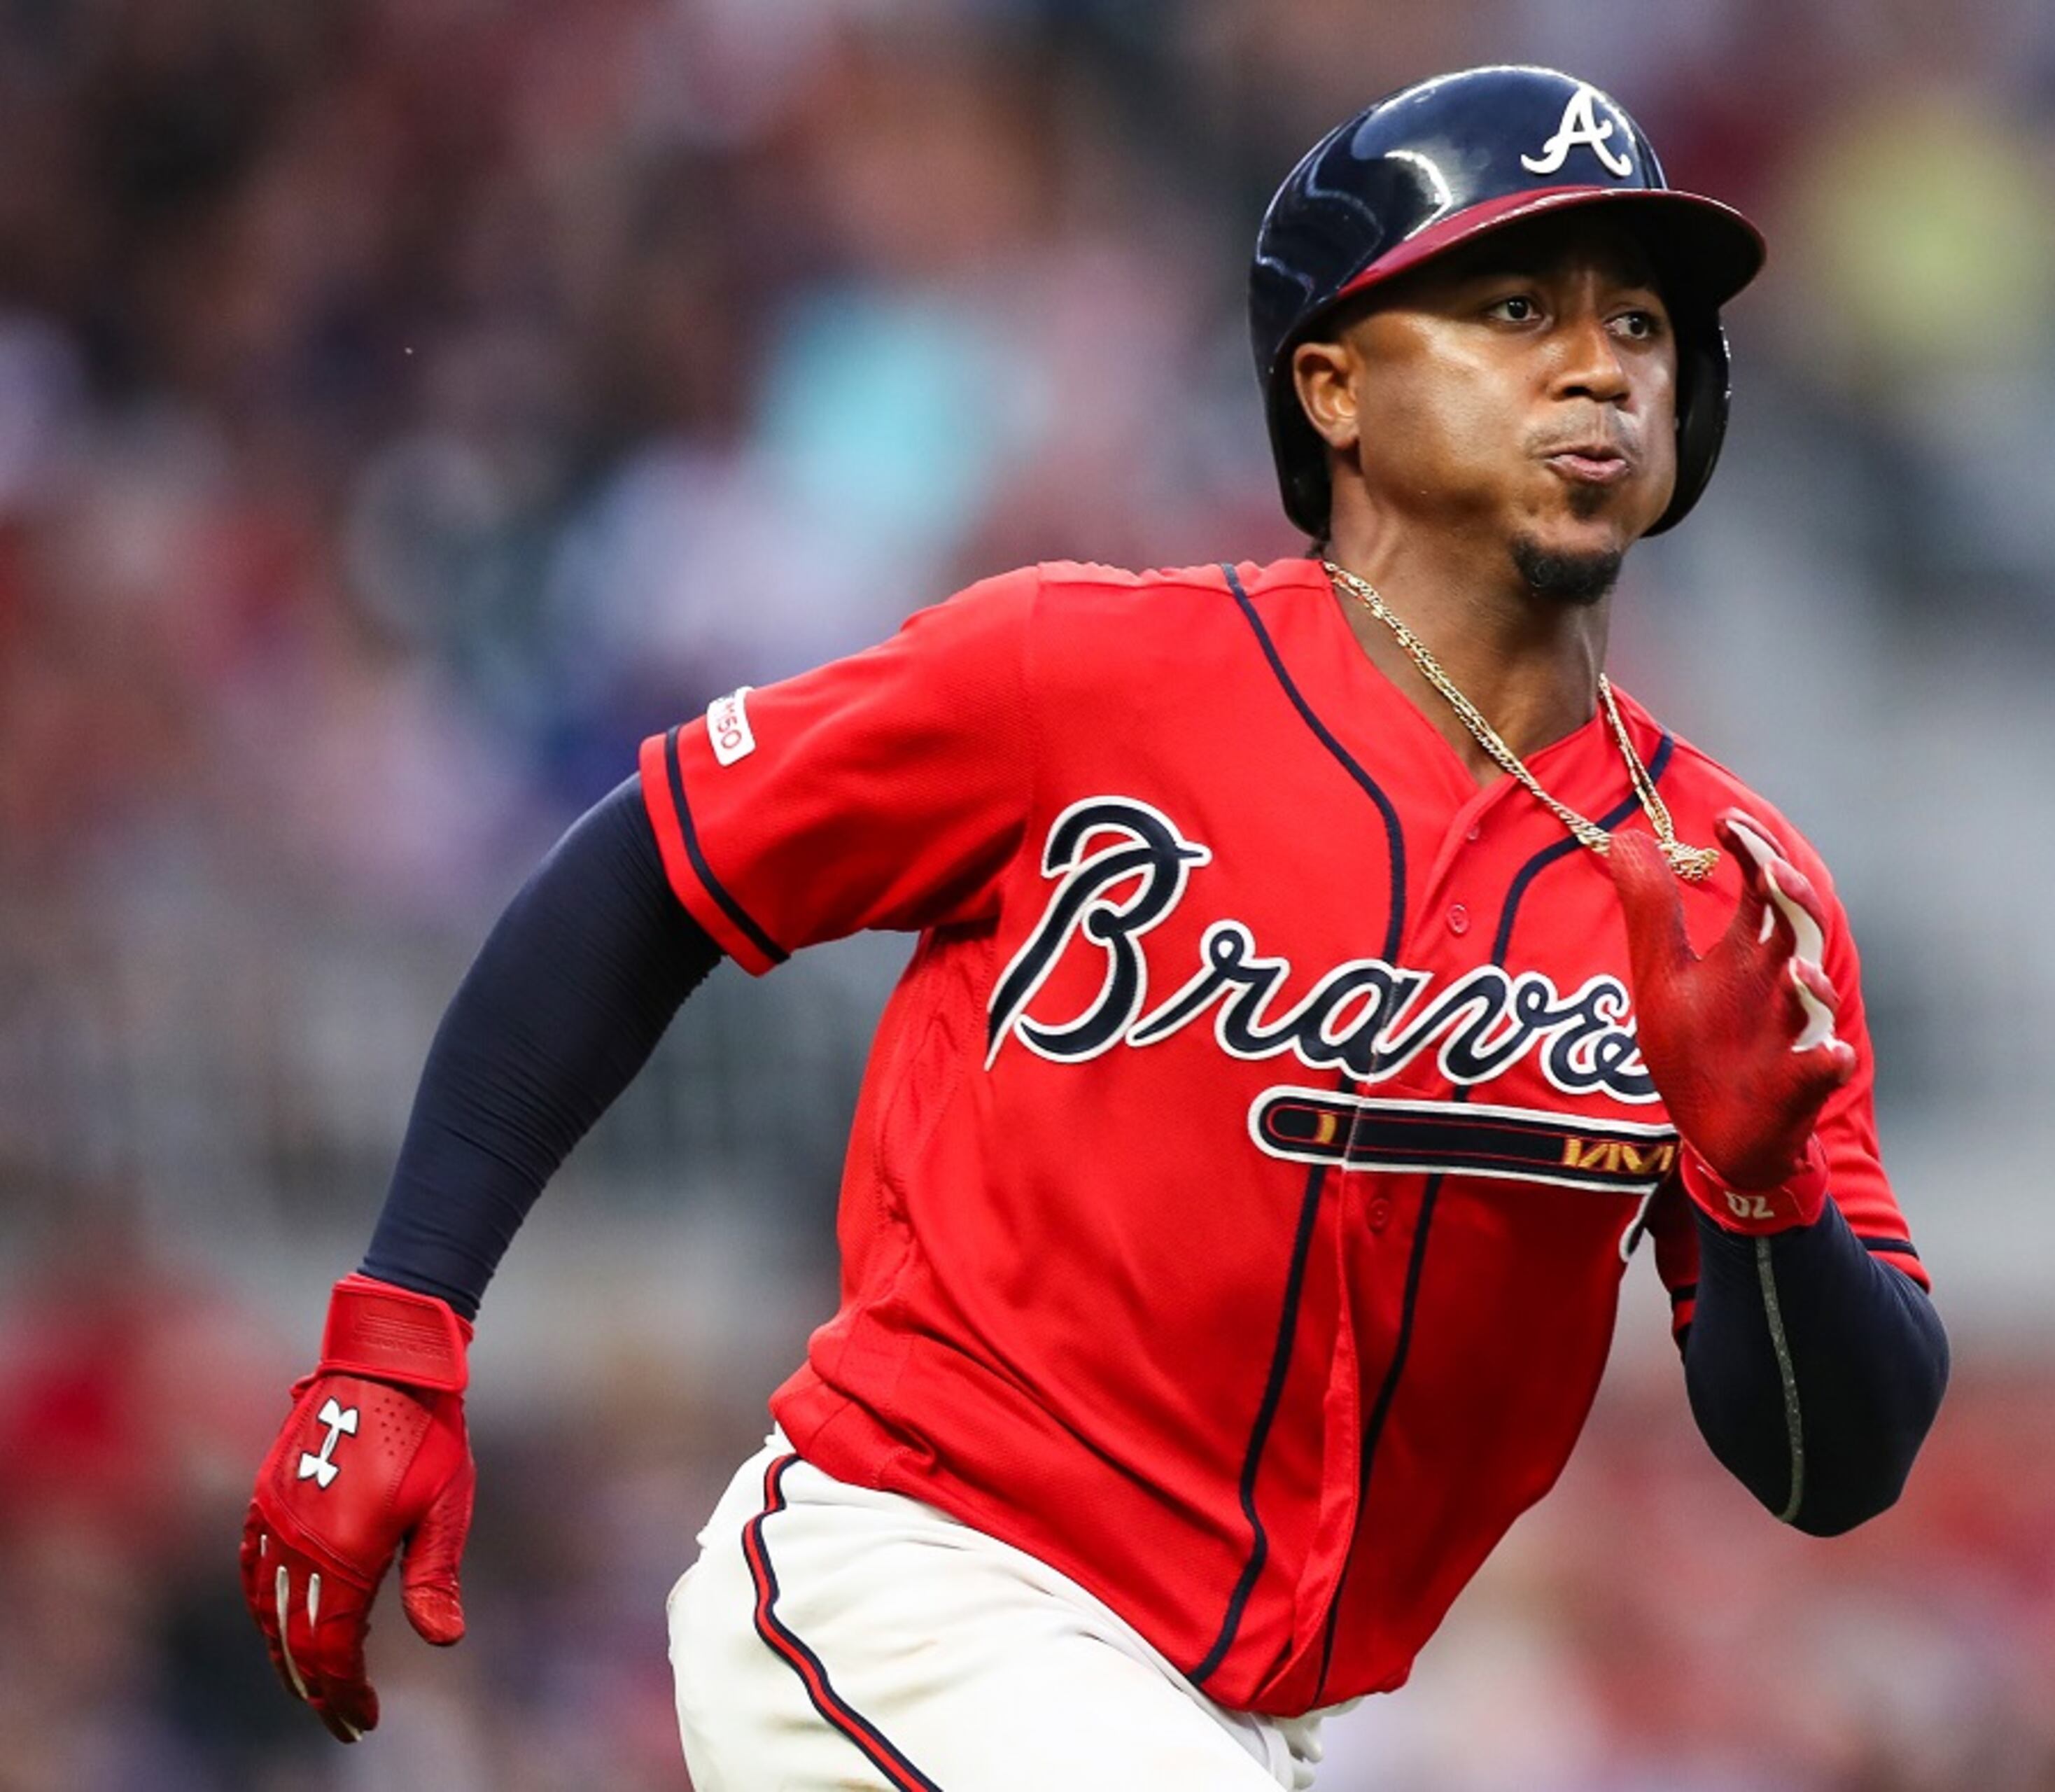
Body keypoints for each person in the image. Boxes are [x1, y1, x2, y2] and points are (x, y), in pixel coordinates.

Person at [239, 65, 1949, 1790]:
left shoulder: (1731, 879)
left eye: (1642, 323)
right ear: (1334, 387)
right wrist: (402, 1326)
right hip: (919, 1585)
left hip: (1241, 1721)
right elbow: (650, 873)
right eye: (1516, 306)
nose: (1601, 364)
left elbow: (1839, 1459)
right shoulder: (1081, 675)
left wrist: (1758, 1190)